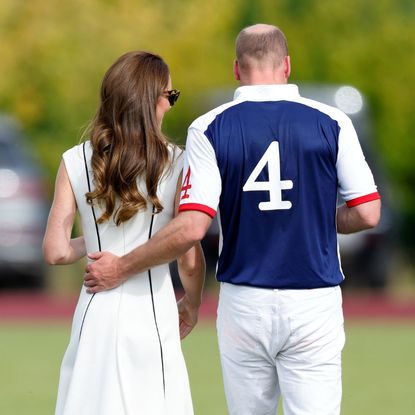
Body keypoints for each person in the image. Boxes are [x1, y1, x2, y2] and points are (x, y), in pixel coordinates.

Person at [84, 24, 381, 415]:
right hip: (314, 297)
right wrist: (321, 217)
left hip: (245, 300)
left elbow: (192, 227)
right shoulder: (333, 121)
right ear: (287, 65)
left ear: (237, 69)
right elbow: (367, 212)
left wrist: (122, 266)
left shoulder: (209, 127)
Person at [43, 51, 205, 415]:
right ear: (151, 101)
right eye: (170, 96)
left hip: (94, 310)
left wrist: (99, 240)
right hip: (151, 311)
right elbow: (189, 256)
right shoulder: (179, 161)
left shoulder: (74, 159)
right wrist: (192, 304)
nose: (171, 105)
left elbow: (54, 251)